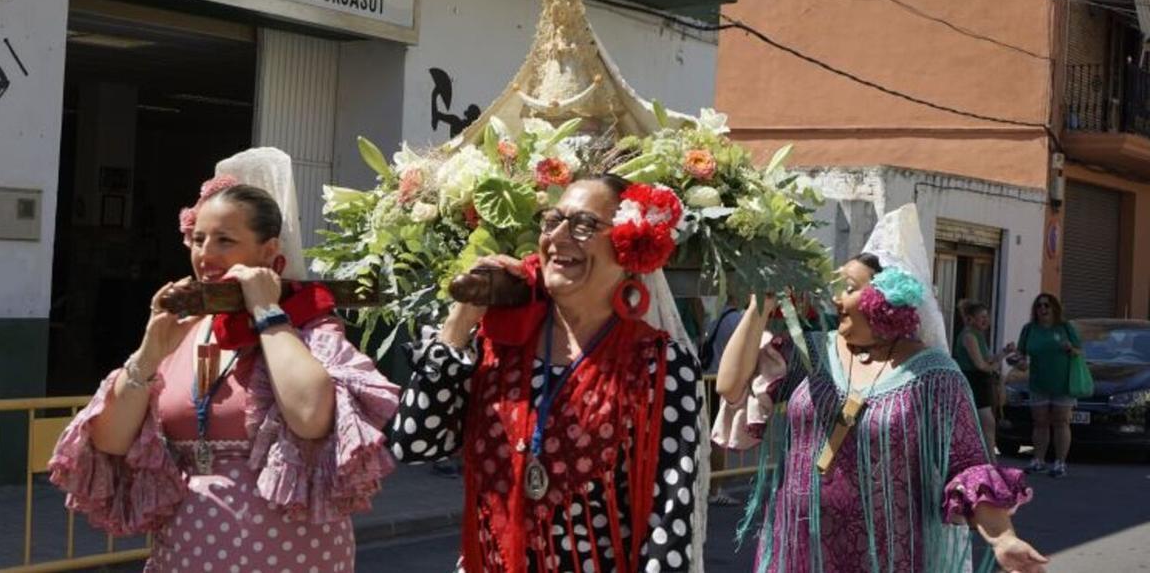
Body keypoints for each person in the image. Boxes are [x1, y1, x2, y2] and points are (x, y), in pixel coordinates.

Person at [49, 148, 400, 572]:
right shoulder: (184, 328)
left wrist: (268, 314)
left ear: (270, 250)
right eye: (198, 239)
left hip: (292, 556)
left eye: (225, 240)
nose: (206, 254)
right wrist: (148, 354)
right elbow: (109, 441)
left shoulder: (306, 324)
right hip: (187, 553)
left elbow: (310, 416)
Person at [389, 176, 702, 572]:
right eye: (552, 220)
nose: (557, 236)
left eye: (584, 225)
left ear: (628, 244)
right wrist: (463, 317)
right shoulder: (497, 342)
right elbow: (414, 444)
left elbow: (668, 519)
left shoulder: (659, 363)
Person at [713, 204, 1046, 573]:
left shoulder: (934, 376)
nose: (835, 298)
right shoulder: (811, 352)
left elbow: (968, 466)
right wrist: (762, 301)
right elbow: (730, 386)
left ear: (886, 298)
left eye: (849, 289)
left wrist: (1003, 538)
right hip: (797, 548)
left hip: (887, 556)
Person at [1007, 293, 1082, 478]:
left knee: (1061, 422)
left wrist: (1071, 350)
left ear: (1054, 308)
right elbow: (1021, 355)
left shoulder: (1065, 327)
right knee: (1040, 422)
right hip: (1038, 382)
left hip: (1063, 383)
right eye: (1039, 306)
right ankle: (1038, 460)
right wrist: (1017, 361)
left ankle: (1060, 463)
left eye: (1047, 305)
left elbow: (1079, 350)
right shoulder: (1029, 329)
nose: (1043, 309)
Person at [702, 295, 744, 506]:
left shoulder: (714, 317)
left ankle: (708, 485)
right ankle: (715, 489)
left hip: (708, 378)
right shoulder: (736, 319)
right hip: (723, 382)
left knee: (709, 435)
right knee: (719, 437)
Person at [954, 301, 1001, 458]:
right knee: (986, 423)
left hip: (981, 382)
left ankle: (989, 461)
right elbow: (980, 365)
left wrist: (1004, 353)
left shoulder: (978, 335)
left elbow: (988, 360)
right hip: (972, 380)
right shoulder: (969, 336)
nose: (986, 320)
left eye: (987, 316)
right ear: (971, 319)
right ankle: (990, 463)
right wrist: (994, 368)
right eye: (981, 317)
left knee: (987, 424)